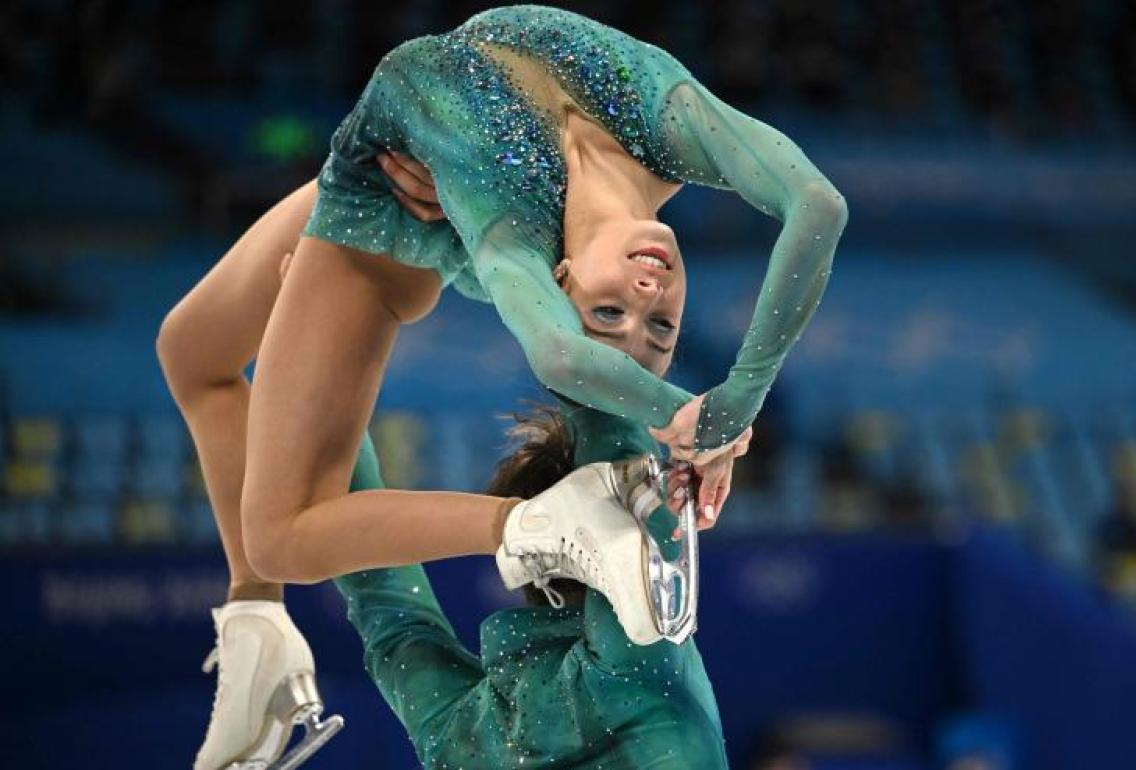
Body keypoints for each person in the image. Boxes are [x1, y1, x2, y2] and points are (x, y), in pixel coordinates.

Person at [156, 4, 845, 768]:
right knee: (190, 352)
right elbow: (818, 204)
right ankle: (258, 631)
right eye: (658, 328)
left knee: (277, 533)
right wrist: (733, 405)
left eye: (615, 310)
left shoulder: (520, 243)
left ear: (560, 281)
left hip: (384, 205)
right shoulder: (662, 133)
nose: (650, 297)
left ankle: (509, 530)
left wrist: (687, 418)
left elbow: (560, 359)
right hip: (430, 156)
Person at [336, 405, 730, 769]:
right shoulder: (638, 664)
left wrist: (321, 379)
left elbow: (388, 607)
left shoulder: (458, 732)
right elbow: (615, 473)